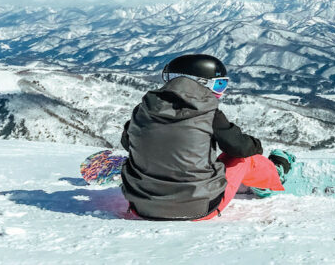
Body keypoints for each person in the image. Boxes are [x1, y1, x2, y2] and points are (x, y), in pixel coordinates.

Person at [120, 54, 295, 220]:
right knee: (242, 159)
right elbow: (240, 148)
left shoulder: (143, 110)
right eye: (219, 85)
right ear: (201, 84)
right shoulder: (209, 113)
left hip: (141, 206)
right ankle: (274, 176)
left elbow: (128, 143)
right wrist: (256, 146)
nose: (221, 92)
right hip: (200, 208)